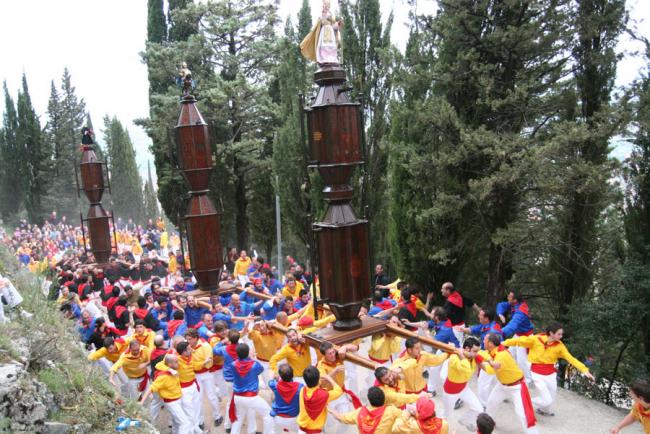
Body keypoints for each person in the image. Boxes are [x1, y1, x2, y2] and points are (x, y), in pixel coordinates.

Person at [502, 322, 595, 416]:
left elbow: (571, 358)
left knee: (551, 396)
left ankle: (543, 410)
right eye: (559, 334)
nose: (561, 336)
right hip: (537, 373)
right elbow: (519, 341)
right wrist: (503, 343)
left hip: (550, 374)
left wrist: (584, 370)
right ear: (551, 333)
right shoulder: (536, 339)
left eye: (561, 334)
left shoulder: (560, 346)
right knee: (546, 400)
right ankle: (523, 402)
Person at [481, 333, 539, 434]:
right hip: (502, 385)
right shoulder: (494, 350)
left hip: (516, 386)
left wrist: (479, 361)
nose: (483, 341)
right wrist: (487, 358)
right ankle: (488, 427)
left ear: (490, 343)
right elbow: (483, 353)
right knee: (491, 403)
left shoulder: (501, 355)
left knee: (522, 414)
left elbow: (490, 370)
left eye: (484, 340)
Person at [229, 343, 275, 434]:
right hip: (251, 397)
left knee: (238, 419)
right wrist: (252, 358)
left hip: (237, 397)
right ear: (247, 353)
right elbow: (261, 369)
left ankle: (251, 431)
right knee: (268, 413)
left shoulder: (233, 364)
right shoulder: (254, 364)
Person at [441, 337, 484, 431]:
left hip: (464, 388)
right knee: (446, 414)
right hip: (450, 392)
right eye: (475, 351)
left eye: (478, 351)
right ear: (467, 349)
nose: (477, 354)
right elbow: (466, 370)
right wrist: (463, 357)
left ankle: (464, 420)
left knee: (479, 409)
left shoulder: (472, 357)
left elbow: (484, 357)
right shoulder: (454, 357)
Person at [185, 328, 223, 427]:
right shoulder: (187, 347)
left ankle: (218, 416)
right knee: (198, 399)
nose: (188, 342)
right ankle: (200, 421)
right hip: (196, 375)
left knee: (212, 396)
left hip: (207, 374)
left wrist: (198, 364)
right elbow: (190, 364)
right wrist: (201, 363)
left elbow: (208, 364)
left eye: (189, 339)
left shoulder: (205, 346)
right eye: (187, 339)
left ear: (195, 338)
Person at [329, 386, 401, 434]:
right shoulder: (392, 411)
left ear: (369, 400)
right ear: (384, 399)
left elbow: (341, 418)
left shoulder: (359, 412)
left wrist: (329, 409)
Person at [501, 291, 534, 383]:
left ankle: (527, 380)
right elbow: (501, 306)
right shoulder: (515, 304)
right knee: (510, 354)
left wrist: (499, 332)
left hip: (525, 337)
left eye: (510, 296)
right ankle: (514, 375)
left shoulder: (520, 311)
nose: (507, 297)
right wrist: (500, 313)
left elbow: (512, 325)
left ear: (515, 300)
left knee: (522, 360)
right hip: (518, 335)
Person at [297, 366, 342, 434]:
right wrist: (329, 378)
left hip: (301, 431)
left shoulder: (302, 390)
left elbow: (315, 385)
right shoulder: (323, 395)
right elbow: (339, 391)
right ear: (318, 379)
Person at [269, 363, 304, 433]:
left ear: (280, 376)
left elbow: (270, 381)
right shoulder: (300, 387)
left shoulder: (275, 385)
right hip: (294, 419)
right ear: (292, 375)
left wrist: (272, 376)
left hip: (278, 418)